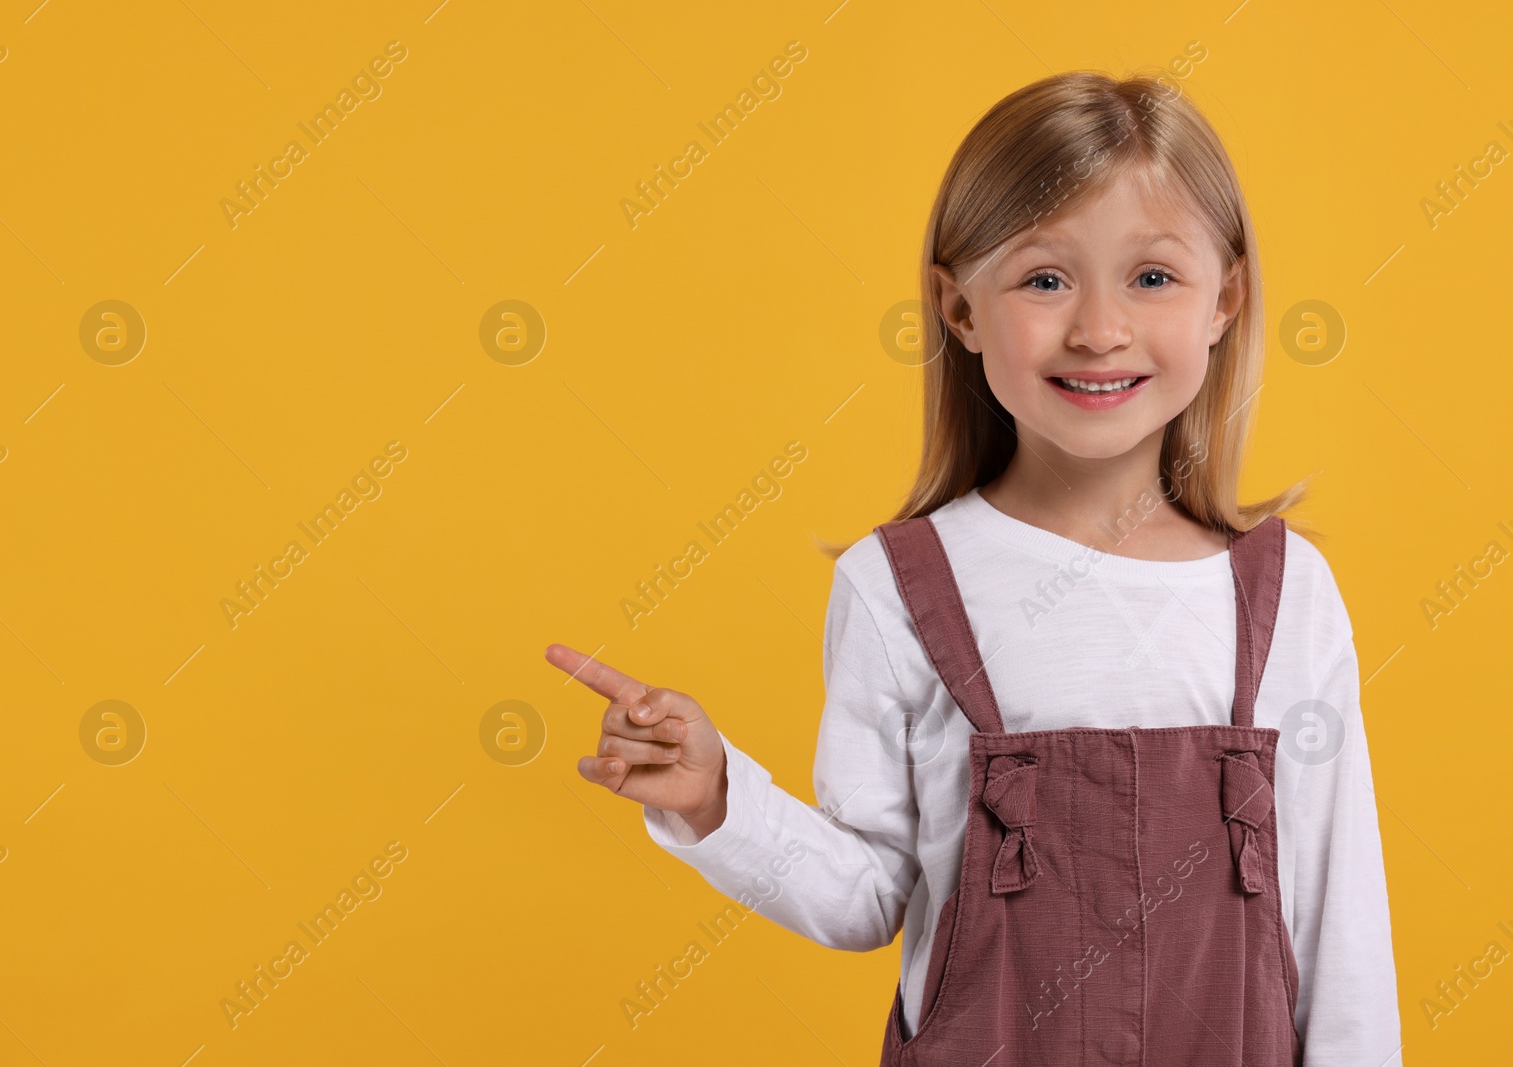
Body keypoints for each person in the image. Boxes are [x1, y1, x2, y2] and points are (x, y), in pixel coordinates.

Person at [545, 69, 1402, 1065]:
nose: (1098, 328)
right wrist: (712, 797)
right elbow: (869, 892)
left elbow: (1341, 928)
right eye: (1044, 278)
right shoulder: (898, 587)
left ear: (1227, 298)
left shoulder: (1286, 594)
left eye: (1151, 276)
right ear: (958, 309)